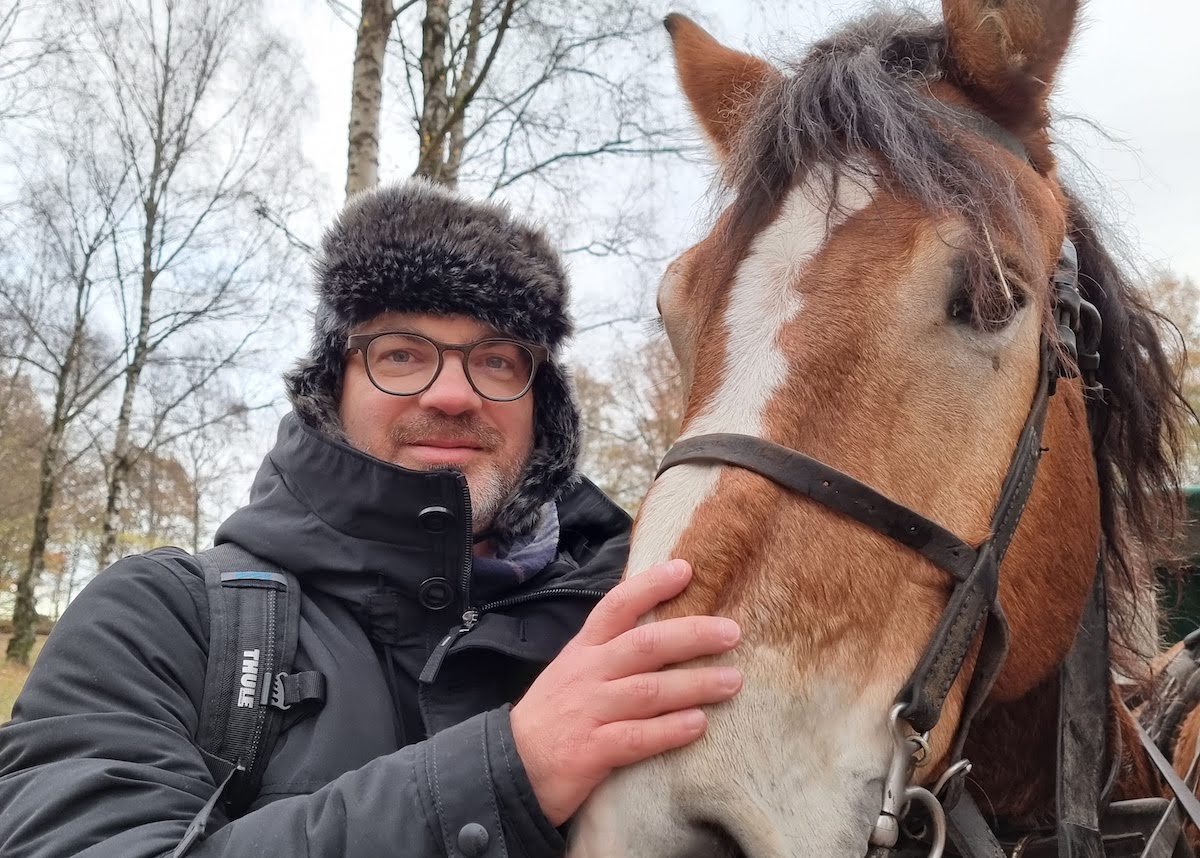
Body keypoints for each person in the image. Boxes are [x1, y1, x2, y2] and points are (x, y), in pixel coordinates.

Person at [0, 180, 743, 858]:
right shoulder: (162, 620)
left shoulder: (651, 631)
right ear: (333, 384)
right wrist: (506, 772)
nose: (454, 394)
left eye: (497, 361)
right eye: (400, 353)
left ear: (540, 404)